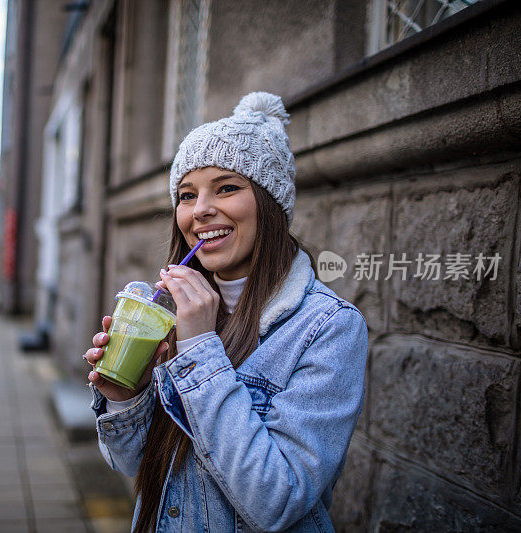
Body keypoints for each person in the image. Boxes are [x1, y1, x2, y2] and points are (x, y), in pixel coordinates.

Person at [83, 92, 368, 532]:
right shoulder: (165, 311)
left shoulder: (328, 328)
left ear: (269, 204)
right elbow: (132, 462)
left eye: (227, 187)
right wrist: (127, 396)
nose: (200, 211)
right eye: (186, 194)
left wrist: (199, 348)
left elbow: (277, 501)